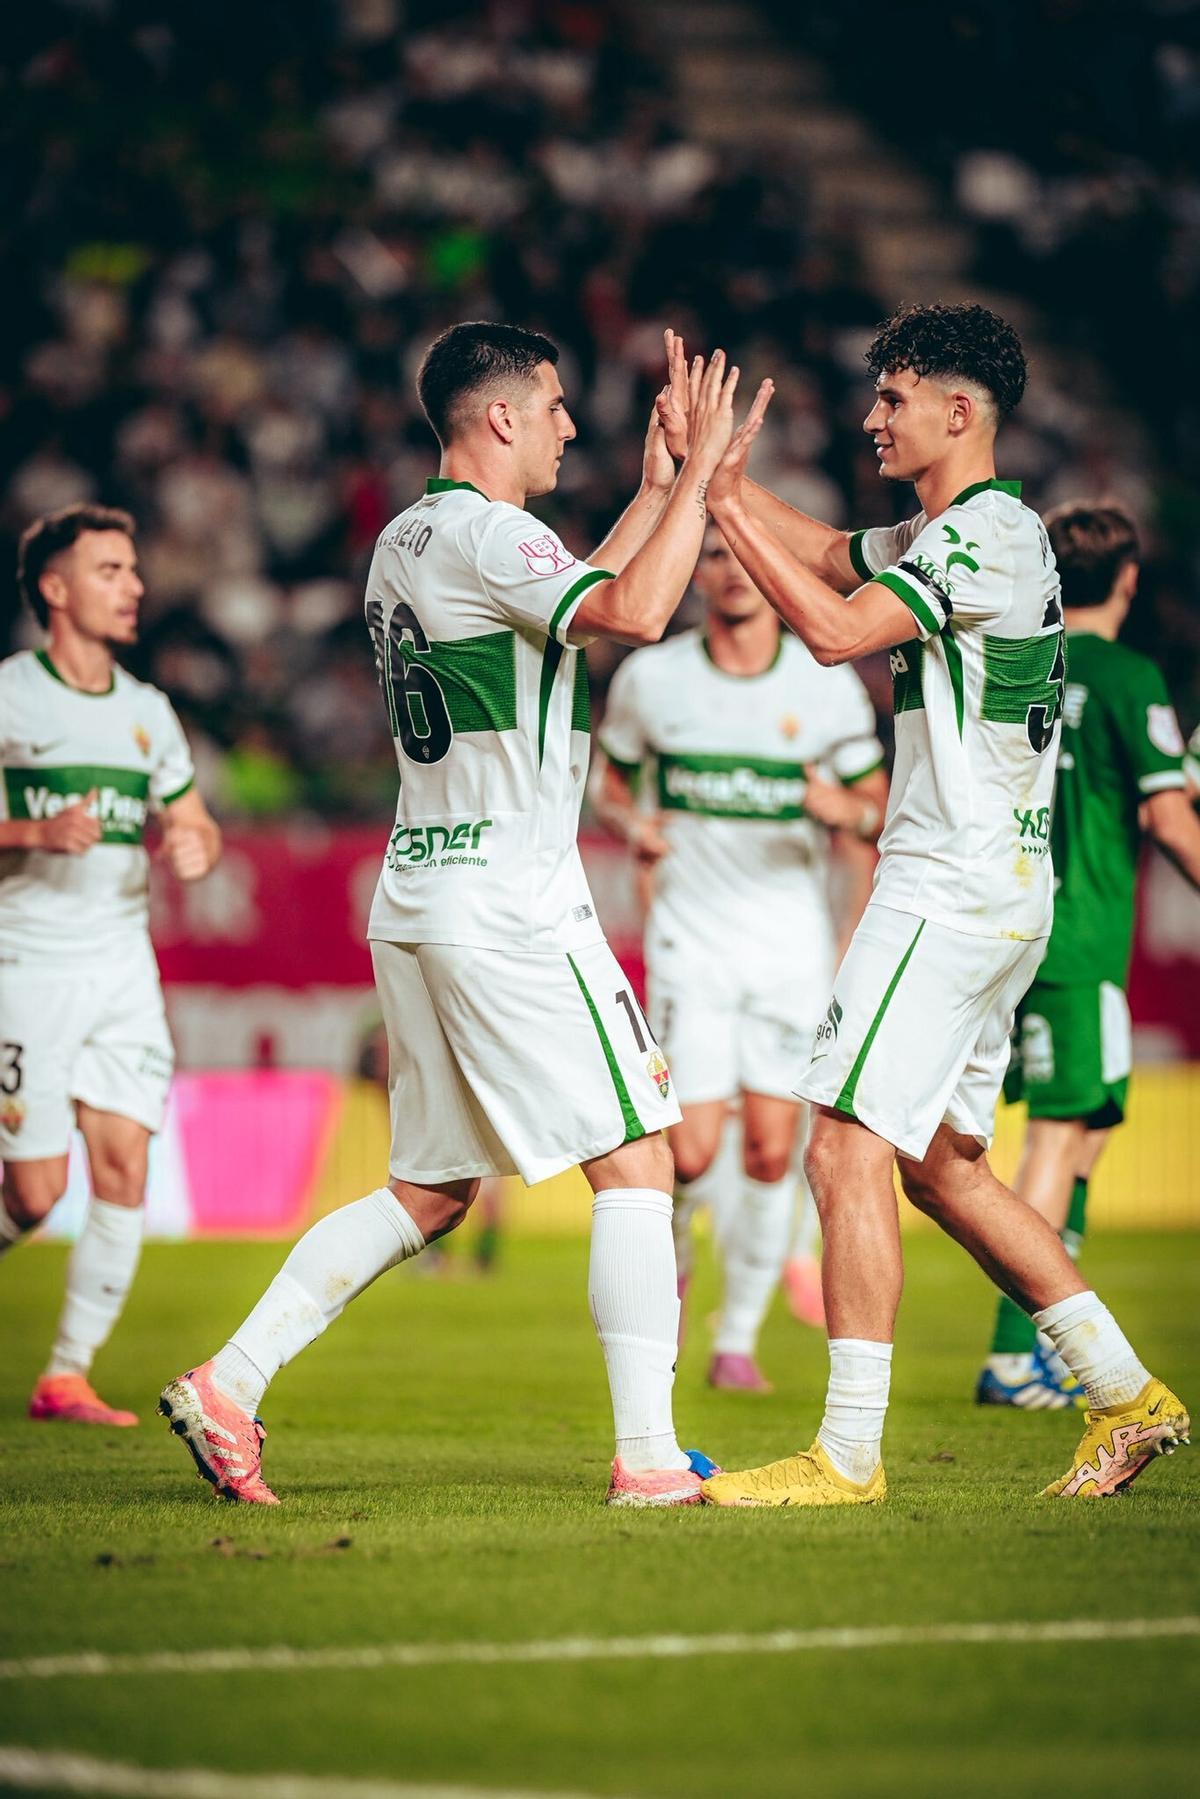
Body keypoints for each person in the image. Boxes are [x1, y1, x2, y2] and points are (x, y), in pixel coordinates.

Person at [160, 321, 771, 1507]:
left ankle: (230, 1383)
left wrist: (651, 496)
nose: (570, 425)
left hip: (423, 887)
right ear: (499, 417)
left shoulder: (411, 535)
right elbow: (636, 616)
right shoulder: (498, 535)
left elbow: (568, 609)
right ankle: (648, 1454)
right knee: (642, 1161)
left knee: (433, 1191)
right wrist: (701, 478)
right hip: (512, 901)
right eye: (553, 406)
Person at [655, 306, 1188, 1505]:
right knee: (944, 1166)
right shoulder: (967, 531)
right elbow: (844, 553)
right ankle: (1127, 1392)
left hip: (947, 885)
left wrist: (713, 496)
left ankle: (845, 1454)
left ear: (960, 412)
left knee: (840, 1141)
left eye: (892, 398)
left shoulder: (986, 535)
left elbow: (841, 626)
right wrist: (731, 479)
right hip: (995, 888)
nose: (871, 417)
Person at [594, 522, 886, 1391]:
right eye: (711, 555)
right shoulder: (653, 679)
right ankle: (676, 1271)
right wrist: (628, 823)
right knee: (687, 1153)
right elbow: (608, 777)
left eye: (742, 555)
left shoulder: (825, 688)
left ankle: (738, 1341)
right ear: (694, 573)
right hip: (692, 938)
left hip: (790, 944)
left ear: (776, 568)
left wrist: (844, 809)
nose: (729, 572)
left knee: (769, 1154)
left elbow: (873, 802)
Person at [0, 503, 222, 1425]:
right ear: (54, 588)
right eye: (109, 570)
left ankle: (66, 1374)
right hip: (28, 964)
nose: (133, 586)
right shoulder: (12, 695)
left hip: (123, 963)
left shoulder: (147, 712)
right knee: (37, 1192)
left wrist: (196, 838)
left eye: (133, 569)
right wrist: (30, 830)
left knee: (124, 1162)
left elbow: (190, 811)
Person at [977, 503, 1200, 1407]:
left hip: (1015, 923)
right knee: (1060, 1132)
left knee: (1087, 1128)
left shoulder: (1029, 659)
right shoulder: (1129, 675)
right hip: (1080, 937)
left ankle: (1040, 1347)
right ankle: (1012, 1356)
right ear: (1132, 579)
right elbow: (1168, 819)